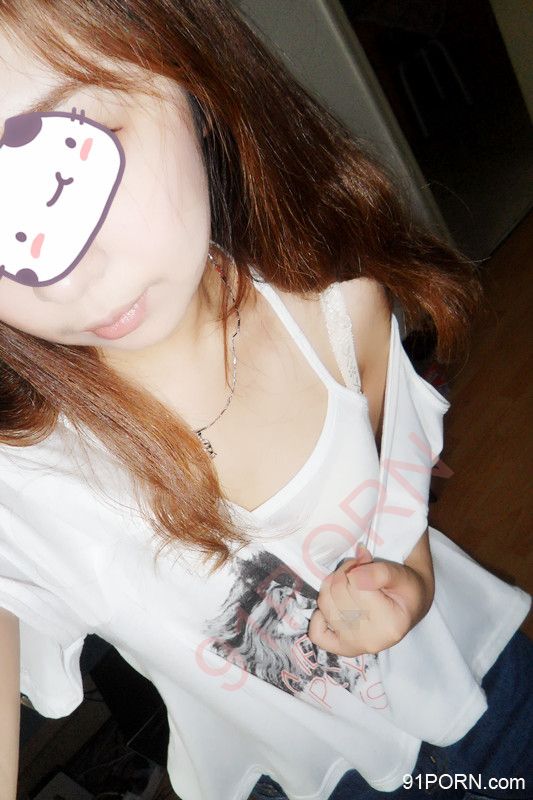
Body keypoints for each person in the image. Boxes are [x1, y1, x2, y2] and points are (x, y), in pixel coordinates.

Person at [0, 2, 530, 800]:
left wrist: (407, 585)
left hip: (481, 700)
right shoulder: (24, 485)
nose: (71, 276)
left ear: (187, 78)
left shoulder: (338, 309)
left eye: (70, 158)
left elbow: (399, 501)